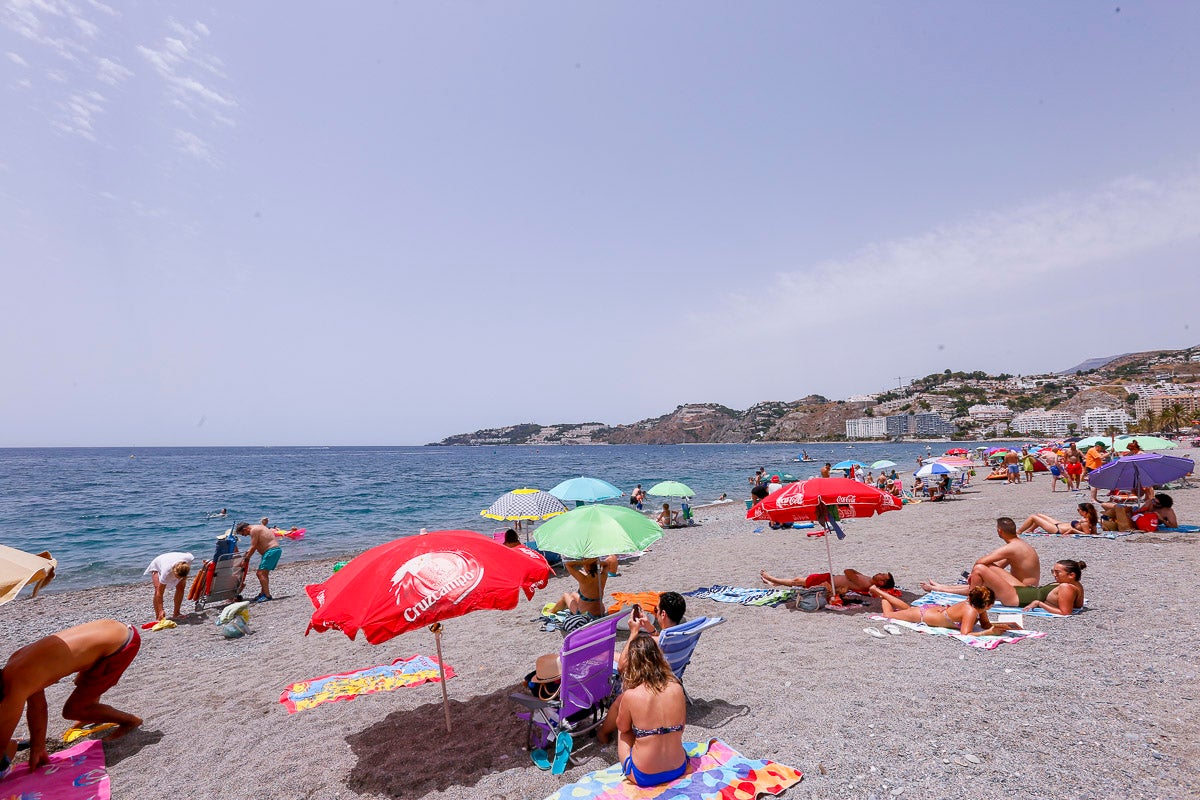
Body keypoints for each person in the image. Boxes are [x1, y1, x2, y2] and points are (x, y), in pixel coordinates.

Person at [1, 620, 142, 777]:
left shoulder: (16, 686)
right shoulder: (15, 665)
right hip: (112, 629)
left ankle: (130, 721)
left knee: (74, 710)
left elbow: (1, 744)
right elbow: (37, 707)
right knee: (82, 684)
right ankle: (92, 710)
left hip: (122, 646)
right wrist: (38, 747)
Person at [607, 615, 688, 787]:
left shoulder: (631, 695)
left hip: (644, 776)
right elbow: (681, 728)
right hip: (679, 767)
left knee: (623, 731)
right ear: (659, 659)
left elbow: (623, 728)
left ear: (634, 665)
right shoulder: (676, 686)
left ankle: (603, 737)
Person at [597, 592, 687, 744]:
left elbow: (622, 667)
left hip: (646, 681)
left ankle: (603, 733)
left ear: (663, 614)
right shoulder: (679, 636)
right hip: (667, 675)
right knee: (609, 654)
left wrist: (634, 632)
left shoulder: (658, 643)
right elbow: (660, 643)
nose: (654, 612)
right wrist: (650, 628)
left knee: (606, 662)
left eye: (655, 610)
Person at [920, 517, 1040, 596]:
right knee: (985, 575)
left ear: (999, 531)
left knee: (983, 570)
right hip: (1026, 588)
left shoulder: (1011, 548)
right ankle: (941, 588)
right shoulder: (1020, 545)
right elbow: (998, 566)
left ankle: (941, 589)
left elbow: (981, 562)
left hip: (1024, 591)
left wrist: (975, 575)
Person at [869, 585, 1018, 636]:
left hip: (932, 611)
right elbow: (965, 634)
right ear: (988, 605)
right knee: (888, 614)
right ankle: (880, 593)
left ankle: (884, 594)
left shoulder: (976, 607)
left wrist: (999, 626)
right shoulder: (971, 611)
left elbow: (985, 624)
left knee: (907, 609)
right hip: (924, 615)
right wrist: (989, 633)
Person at [989, 560, 1087, 616]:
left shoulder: (1066, 587)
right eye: (1053, 571)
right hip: (1024, 591)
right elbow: (1078, 606)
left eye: (1057, 572)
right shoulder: (1076, 585)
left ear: (1071, 575)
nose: (1054, 575)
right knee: (991, 568)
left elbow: (1065, 612)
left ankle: (973, 604)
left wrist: (1039, 604)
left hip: (1016, 598)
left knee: (981, 568)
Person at [760, 567, 895, 607]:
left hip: (829, 583)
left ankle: (771, 578)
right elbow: (850, 573)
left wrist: (853, 573)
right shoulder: (869, 580)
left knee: (798, 581)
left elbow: (848, 571)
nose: (880, 573)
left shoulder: (866, 583)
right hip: (830, 579)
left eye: (882, 575)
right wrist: (853, 573)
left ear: (881, 583)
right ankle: (776, 583)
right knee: (800, 582)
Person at [235, 521, 281, 602]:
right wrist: (246, 554)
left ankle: (267, 595)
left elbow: (253, 546)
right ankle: (263, 593)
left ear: (245, 529)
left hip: (271, 551)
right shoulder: (259, 527)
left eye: (243, 534)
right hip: (273, 551)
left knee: (260, 573)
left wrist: (246, 559)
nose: (244, 536)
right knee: (264, 574)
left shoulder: (254, 530)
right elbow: (255, 545)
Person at [143, 551, 194, 621]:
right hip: (158, 563)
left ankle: (176, 613)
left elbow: (188, 554)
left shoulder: (189, 559)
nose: (178, 579)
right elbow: (160, 593)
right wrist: (161, 610)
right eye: (177, 577)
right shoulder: (166, 572)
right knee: (157, 589)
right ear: (174, 572)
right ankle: (159, 616)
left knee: (181, 587)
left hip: (173, 559)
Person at [1101, 492, 1177, 531]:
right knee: (1107, 505)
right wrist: (1145, 510)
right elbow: (1139, 512)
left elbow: (1174, 526)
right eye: (1153, 500)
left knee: (1118, 512)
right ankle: (1108, 516)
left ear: (1163, 505)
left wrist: (1162, 520)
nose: (1153, 502)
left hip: (1142, 523)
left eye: (1156, 503)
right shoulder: (1150, 502)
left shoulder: (1168, 511)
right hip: (1137, 514)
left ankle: (1105, 518)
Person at [1016, 503, 1099, 536]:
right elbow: (1094, 532)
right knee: (1039, 515)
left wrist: (1073, 530)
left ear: (1084, 512)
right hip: (1060, 524)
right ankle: (1030, 530)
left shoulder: (1085, 521)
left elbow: (1087, 534)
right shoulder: (1091, 519)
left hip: (1057, 529)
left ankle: (1018, 532)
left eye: (1079, 510)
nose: (1078, 511)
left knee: (1033, 517)